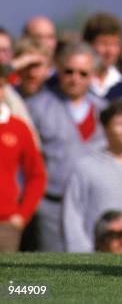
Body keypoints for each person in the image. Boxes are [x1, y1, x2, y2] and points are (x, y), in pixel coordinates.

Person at [26, 42, 107, 251]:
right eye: (68, 71)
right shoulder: (36, 107)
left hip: (94, 204)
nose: (75, 78)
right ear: (58, 70)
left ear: (93, 75)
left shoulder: (105, 111)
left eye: (83, 73)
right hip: (52, 205)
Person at [63, 101, 122, 252]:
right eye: (120, 123)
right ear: (105, 128)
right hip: (95, 253)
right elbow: (72, 215)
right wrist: (81, 252)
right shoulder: (85, 168)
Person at [0, 65, 46, 252]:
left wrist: (22, 216)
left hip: (5, 225)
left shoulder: (18, 128)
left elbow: (37, 175)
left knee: (6, 280)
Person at [83, 12, 122, 103]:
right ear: (89, 44)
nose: (110, 51)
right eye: (104, 43)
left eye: (115, 44)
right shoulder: (76, 81)